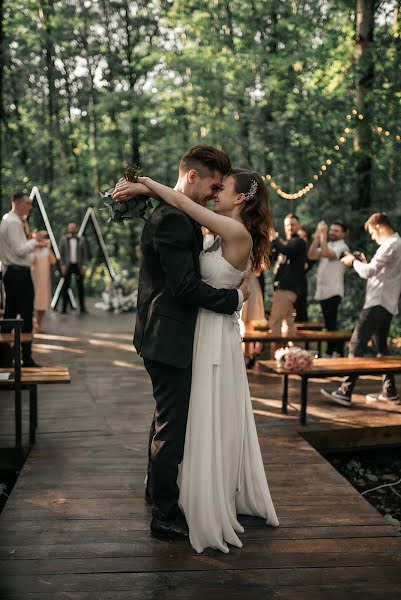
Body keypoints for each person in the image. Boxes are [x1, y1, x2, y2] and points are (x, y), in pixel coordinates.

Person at [113, 147, 279, 553]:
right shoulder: (176, 219)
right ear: (193, 178)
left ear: (241, 198)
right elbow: (185, 286)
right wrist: (234, 301)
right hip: (174, 335)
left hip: (198, 335)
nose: (213, 193)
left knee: (172, 419)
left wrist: (146, 186)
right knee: (172, 423)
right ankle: (165, 512)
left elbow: (185, 205)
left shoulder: (214, 227)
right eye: (212, 185)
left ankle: (161, 495)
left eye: (223, 188)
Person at [321, 212, 401, 406]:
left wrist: (353, 261)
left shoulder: (391, 244)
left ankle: (344, 391)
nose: (373, 237)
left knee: (356, 344)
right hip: (387, 304)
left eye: (373, 233)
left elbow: (368, 273)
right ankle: (390, 392)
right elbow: (378, 272)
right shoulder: (394, 244)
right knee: (381, 349)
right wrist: (363, 262)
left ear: (379, 227)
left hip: (377, 304)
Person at [0, 192, 48, 367]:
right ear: (18, 203)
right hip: (19, 273)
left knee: (10, 314)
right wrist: (35, 241)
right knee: (26, 315)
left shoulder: (7, 220)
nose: (30, 207)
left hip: (11, 273)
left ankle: (5, 357)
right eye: (27, 203)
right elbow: (20, 250)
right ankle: (26, 358)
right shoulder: (13, 222)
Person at [308, 221, 349, 355]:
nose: (332, 232)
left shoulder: (343, 247)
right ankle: (333, 350)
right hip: (323, 291)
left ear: (343, 234)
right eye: (331, 230)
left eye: (336, 230)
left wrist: (323, 235)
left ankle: (333, 351)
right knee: (328, 323)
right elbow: (312, 255)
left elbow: (326, 253)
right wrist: (317, 237)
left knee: (331, 323)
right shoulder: (329, 244)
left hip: (333, 291)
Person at [269, 214, 306, 339]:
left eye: (293, 224)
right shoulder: (287, 243)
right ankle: (294, 356)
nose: (290, 227)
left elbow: (287, 251)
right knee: (289, 324)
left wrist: (274, 239)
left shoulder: (299, 242)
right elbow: (272, 257)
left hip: (287, 288)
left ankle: (275, 356)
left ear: (299, 226)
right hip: (283, 288)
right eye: (287, 225)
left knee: (275, 323)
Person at [59, 223, 89, 314]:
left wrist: (84, 266)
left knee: (80, 287)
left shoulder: (81, 239)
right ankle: (63, 308)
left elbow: (85, 254)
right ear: (68, 229)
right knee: (65, 287)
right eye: (70, 228)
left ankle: (82, 308)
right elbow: (61, 254)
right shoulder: (63, 239)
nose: (72, 229)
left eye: (74, 227)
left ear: (76, 228)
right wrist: (62, 266)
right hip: (67, 266)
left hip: (78, 265)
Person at [31, 231, 57, 332]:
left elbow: (53, 261)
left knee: (42, 303)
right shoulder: (32, 248)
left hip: (44, 280)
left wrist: (48, 247)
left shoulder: (46, 248)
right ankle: (32, 322)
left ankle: (39, 323)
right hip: (33, 278)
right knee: (32, 301)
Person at [241, 269, 267, 368]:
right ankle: (247, 353)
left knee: (248, 321)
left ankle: (248, 354)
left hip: (250, 284)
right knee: (245, 322)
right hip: (245, 283)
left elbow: (258, 270)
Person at [294, 226, 315, 323]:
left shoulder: (309, 254)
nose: (301, 238)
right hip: (288, 287)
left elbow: (305, 267)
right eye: (299, 236)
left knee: (301, 312)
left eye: (304, 236)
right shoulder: (290, 248)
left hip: (300, 287)